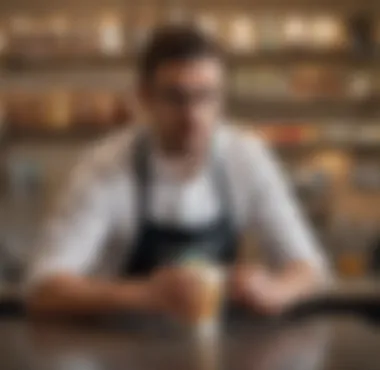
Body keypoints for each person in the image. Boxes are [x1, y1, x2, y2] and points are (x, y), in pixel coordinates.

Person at [25, 25, 328, 321]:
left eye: (206, 96)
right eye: (176, 97)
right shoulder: (105, 166)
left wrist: (275, 290)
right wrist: (145, 295)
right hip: (119, 353)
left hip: (218, 352)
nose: (193, 115)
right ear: (145, 97)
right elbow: (43, 290)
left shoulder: (246, 158)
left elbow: (310, 270)